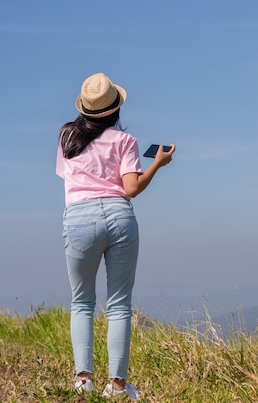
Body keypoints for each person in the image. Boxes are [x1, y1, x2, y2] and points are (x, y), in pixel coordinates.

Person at [56, 72, 175, 399]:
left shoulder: (67, 136)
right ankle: (118, 386)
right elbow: (131, 188)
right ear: (115, 109)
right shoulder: (126, 141)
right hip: (120, 217)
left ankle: (83, 381)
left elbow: (69, 179)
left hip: (79, 218)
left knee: (82, 301)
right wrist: (158, 164)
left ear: (84, 108)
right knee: (119, 304)